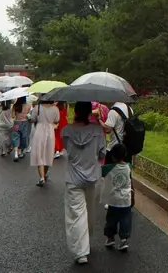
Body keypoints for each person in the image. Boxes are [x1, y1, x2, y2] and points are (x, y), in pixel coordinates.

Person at [61, 102, 104, 265]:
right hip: (93, 177)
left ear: (76, 112)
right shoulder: (97, 130)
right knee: (91, 212)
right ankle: (88, 240)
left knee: (77, 213)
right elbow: (101, 153)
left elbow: (67, 150)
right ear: (89, 112)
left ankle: (81, 252)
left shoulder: (66, 130)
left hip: (73, 178)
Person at [101, 143, 133, 251]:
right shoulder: (129, 166)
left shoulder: (108, 168)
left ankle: (110, 238)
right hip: (126, 200)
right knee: (125, 220)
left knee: (111, 220)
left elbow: (99, 172)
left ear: (113, 156)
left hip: (113, 200)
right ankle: (124, 240)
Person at [30, 101, 59, 186]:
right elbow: (57, 120)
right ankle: (45, 174)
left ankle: (41, 177)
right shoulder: (55, 109)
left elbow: (33, 119)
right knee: (48, 153)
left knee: (39, 153)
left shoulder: (37, 108)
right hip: (50, 131)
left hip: (39, 130)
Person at [11, 97, 31, 162]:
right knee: (23, 137)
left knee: (15, 137)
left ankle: (16, 154)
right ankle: (21, 152)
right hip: (25, 123)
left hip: (16, 123)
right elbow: (29, 115)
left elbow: (13, 116)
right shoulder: (28, 105)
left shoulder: (15, 105)